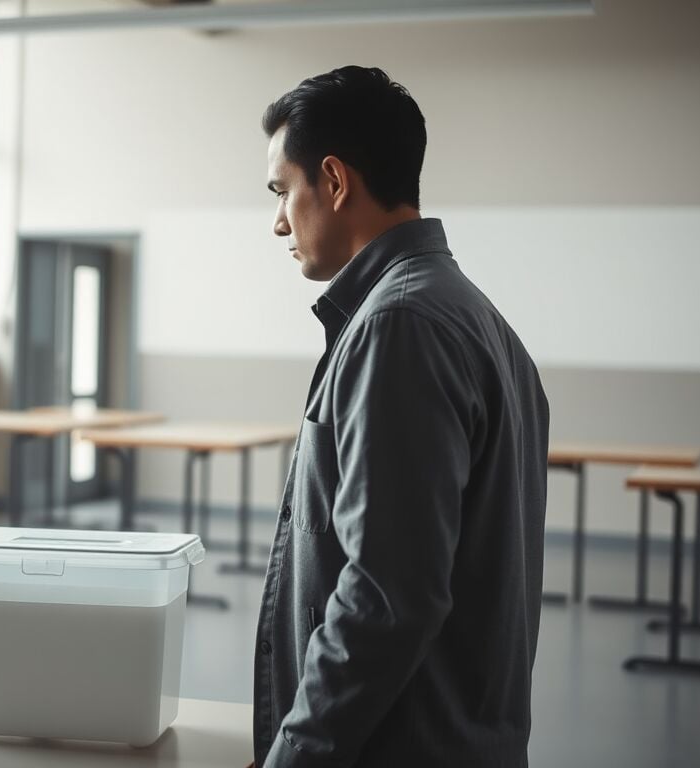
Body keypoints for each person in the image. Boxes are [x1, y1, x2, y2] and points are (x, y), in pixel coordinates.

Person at [253, 65, 550, 767]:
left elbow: (388, 598)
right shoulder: (475, 318)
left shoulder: (402, 326)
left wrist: (294, 754)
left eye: (281, 191)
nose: (276, 222)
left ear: (333, 180)